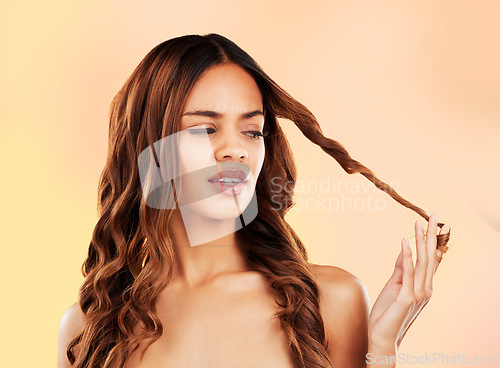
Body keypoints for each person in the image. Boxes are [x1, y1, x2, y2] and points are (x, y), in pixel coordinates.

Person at [57, 33, 451, 368]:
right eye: (206, 129)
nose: (235, 150)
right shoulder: (90, 328)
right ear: (150, 148)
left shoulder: (329, 301)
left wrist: (382, 350)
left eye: (252, 131)